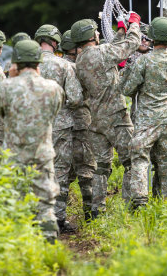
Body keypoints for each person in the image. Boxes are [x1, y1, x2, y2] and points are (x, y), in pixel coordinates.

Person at [0, 40, 64, 242]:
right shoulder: (52, 88)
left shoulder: (6, 87)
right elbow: (54, 111)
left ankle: (18, 244)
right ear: (38, 61)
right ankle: (49, 245)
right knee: (45, 202)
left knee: (13, 200)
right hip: (42, 153)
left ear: (16, 62)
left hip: (14, 154)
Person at [71, 13, 141, 215]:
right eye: (96, 31)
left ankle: (97, 210)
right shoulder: (101, 53)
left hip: (96, 121)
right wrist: (134, 24)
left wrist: (120, 30)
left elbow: (112, 53)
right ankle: (131, 208)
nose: (99, 32)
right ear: (91, 35)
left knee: (101, 168)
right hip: (116, 117)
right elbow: (131, 44)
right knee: (130, 162)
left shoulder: (80, 61)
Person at [121, 16, 167, 209]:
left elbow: (127, 90)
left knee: (140, 157)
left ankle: (140, 200)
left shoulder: (144, 61)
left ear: (151, 38)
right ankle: (166, 203)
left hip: (146, 120)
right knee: (166, 161)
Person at [50, 29, 97, 225]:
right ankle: (90, 213)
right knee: (86, 170)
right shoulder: (83, 67)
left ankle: (58, 214)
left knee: (63, 171)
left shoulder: (58, 66)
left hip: (62, 122)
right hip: (82, 121)